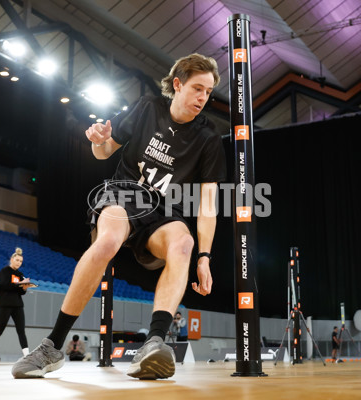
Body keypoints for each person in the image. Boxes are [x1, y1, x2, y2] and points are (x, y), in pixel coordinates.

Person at [12, 53, 226, 380]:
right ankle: (53, 346)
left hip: (166, 212)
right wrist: (97, 141)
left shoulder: (208, 139)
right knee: (108, 241)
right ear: (178, 84)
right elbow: (104, 152)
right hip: (123, 194)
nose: (202, 97)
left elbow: (208, 206)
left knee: (184, 244)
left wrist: (205, 256)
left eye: (208, 92)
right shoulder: (146, 109)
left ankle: (154, 344)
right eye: (197, 88)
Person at [0, 247, 34, 364]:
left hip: (18, 305)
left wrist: (24, 287)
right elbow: (3, 284)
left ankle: (27, 356)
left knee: (21, 331)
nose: (19, 263)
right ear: (12, 259)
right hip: (4, 304)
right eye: (17, 260)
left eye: (21, 261)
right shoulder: (4, 271)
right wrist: (18, 285)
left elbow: (21, 292)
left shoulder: (20, 274)